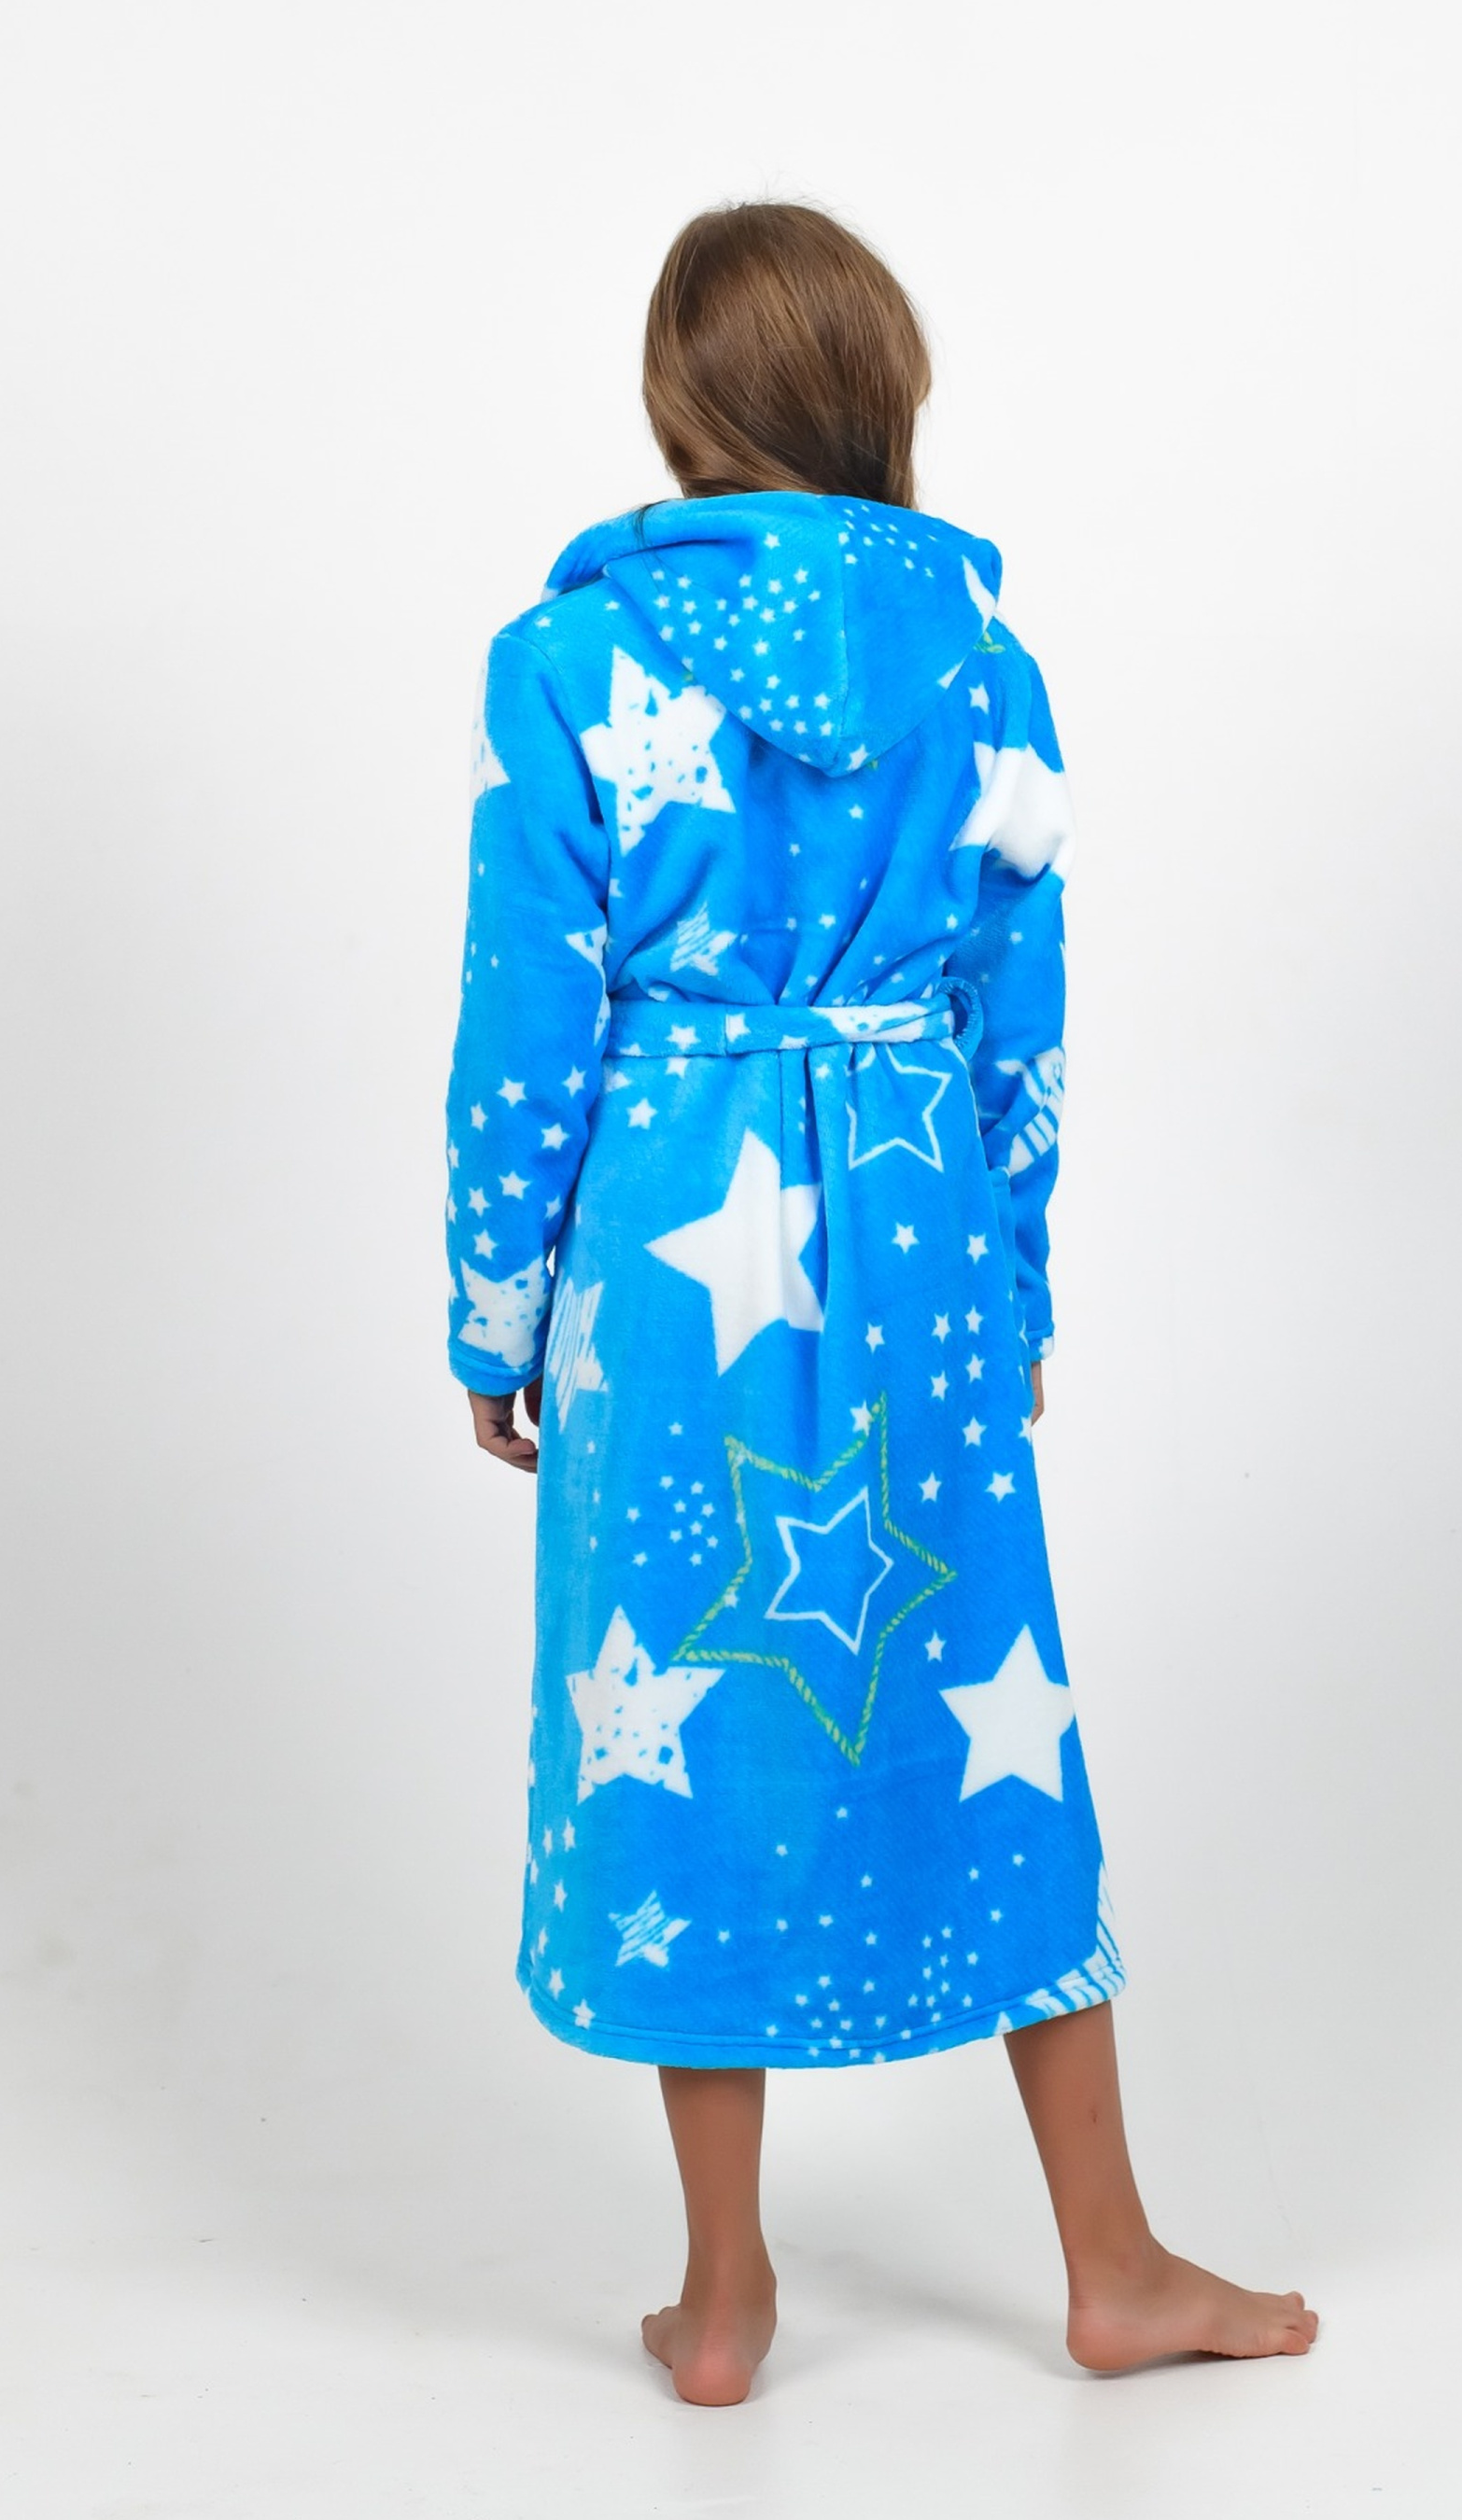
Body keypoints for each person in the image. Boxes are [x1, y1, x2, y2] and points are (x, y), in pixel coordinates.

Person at [443, 201, 1318, 2404]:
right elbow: (1020, 1012)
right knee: (988, 1697)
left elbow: (526, 1014)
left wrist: (495, 1309)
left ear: (679, 401)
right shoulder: (980, 662)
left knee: (678, 1706)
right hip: (917, 1218)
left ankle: (724, 2297)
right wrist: (1008, 1278)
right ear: (874, 392)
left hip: (661, 1248)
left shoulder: (565, 661)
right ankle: (1107, 2262)